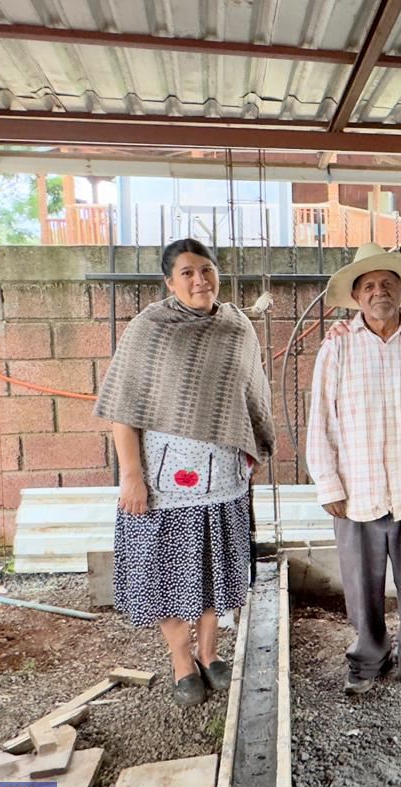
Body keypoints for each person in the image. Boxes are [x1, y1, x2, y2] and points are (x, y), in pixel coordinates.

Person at [95, 238, 275, 707]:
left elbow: (251, 396)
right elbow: (122, 406)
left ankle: (211, 652)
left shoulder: (238, 327)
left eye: (207, 270)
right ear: (170, 281)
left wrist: (250, 449)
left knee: (218, 569)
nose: (200, 280)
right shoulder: (149, 329)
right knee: (166, 572)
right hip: (163, 481)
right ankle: (180, 658)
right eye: (188, 272)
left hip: (224, 478)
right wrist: (131, 474)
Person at [306, 243, 401, 694]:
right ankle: (368, 658)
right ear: (356, 296)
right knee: (360, 586)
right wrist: (328, 483)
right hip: (357, 490)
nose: (379, 292)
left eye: (387, 284)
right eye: (369, 285)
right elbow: (322, 420)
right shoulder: (336, 349)